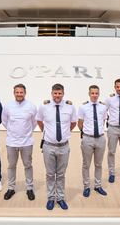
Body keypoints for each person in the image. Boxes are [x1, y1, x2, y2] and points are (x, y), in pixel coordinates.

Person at [36, 83, 77, 211]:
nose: (57, 96)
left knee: (60, 174)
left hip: (64, 147)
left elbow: (73, 123)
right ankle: (50, 198)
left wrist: (64, 134)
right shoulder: (44, 107)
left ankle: (60, 198)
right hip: (48, 146)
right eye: (55, 93)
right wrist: (48, 133)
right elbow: (39, 121)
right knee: (49, 174)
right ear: (52, 93)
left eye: (59, 93)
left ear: (63, 94)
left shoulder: (70, 107)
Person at [2, 84, 37, 201]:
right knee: (11, 166)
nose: (19, 94)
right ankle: (11, 188)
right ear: (14, 93)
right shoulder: (8, 106)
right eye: (17, 92)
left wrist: (25, 133)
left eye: (21, 92)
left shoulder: (31, 106)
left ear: (25, 93)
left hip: (27, 142)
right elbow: (4, 121)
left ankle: (29, 188)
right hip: (11, 142)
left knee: (28, 165)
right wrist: (13, 132)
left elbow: (34, 123)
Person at [77, 85, 108, 198]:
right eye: (92, 93)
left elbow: (104, 120)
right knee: (86, 164)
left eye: (96, 93)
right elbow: (80, 122)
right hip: (87, 139)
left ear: (98, 94)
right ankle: (86, 187)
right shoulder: (83, 107)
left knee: (98, 164)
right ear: (89, 94)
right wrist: (86, 132)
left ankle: (98, 185)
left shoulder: (103, 107)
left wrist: (98, 132)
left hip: (100, 138)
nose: (94, 95)